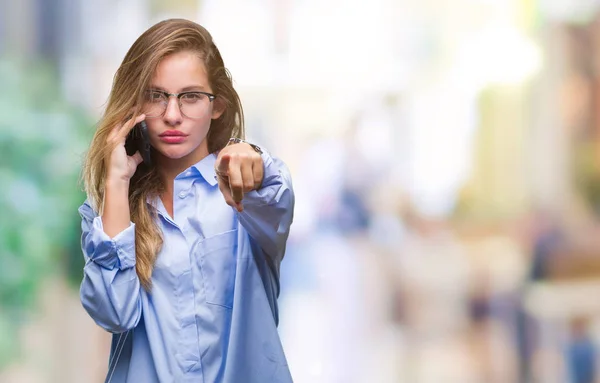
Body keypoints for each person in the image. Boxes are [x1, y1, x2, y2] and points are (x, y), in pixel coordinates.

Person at [78, 18, 295, 383]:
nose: (173, 115)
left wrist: (250, 154)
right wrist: (116, 181)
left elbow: (275, 196)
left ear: (218, 105)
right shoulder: (109, 212)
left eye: (191, 96)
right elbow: (114, 314)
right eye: (156, 96)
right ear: (135, 105)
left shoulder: (246, 194)